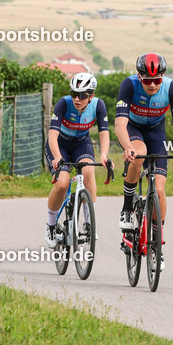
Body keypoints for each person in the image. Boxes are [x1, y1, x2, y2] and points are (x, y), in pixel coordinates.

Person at [116, 52, 173, 270]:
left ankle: (156, 243)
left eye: (158, 80)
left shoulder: (172, 87)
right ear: (140, 77)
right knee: (138, 154)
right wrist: (127, 146)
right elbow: (120, 123)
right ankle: (127, 208)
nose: (154, 85)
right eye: (148, 81)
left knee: (160, 189)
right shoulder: (128, 85)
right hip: (133, 128)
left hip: (156, 131)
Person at [45, 72, 110, 247]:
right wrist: (58, 157)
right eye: (74, 93)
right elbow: (52, 135)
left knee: (89, 171)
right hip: (60, 145)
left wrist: (103, 154)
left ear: (91, 96)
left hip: (82, 143)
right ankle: (51, 225)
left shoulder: (98, 105)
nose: (77, 99)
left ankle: (90, 223)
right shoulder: (64, 103)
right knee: (62, 183)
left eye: (82, 95)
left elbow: (104, 134)